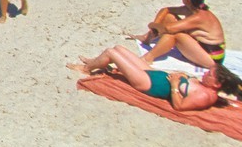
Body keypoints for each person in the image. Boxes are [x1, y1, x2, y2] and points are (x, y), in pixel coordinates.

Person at [69, 46, 220, 111]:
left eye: (210, 75)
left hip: (149, 84)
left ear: (217, 84)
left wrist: (174, 85)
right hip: (154, 74)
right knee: (119, 48)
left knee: (111, 53)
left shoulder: (204, 95)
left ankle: (86, 69)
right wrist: (183, 76)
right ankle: (94, 61)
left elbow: (179, 107)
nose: (206, 74)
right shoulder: (205, 87)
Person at [135, 0, 226, 71]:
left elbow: (168, 29)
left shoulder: (199, 17)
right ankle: (147, 38)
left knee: (175, 36)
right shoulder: (192, 9)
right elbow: (166, 10)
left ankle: (148, 58)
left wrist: (152, 25)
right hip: (201, 45)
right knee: (169, 17)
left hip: (212, 59)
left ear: (188, 0)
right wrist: (155, 27)